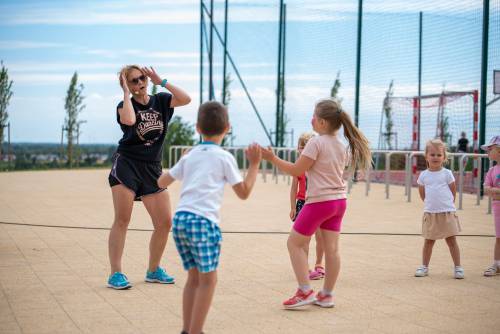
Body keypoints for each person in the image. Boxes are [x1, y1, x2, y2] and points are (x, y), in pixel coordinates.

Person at [157, 101, 262, 334]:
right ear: (228, 128)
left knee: (193, 279)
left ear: (197, 128)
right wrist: (254, 164)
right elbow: (243, 192)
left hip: (181, 221)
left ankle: (188, 329)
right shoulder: (224, 157)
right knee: (208, 281)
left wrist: (182, 161)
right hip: (203, 223)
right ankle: (195, 331)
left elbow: (161, 182)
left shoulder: (190, 156)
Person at [261, 98, 372, 309]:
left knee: (294, 243)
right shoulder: (341, 144)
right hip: (339, 202)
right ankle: (327, 295)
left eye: (314, 116)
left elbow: (296, 171)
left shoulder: (316, 142)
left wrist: (272, 158)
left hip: (320, 202)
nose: (311, 119)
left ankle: (305, 291)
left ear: (322, 122)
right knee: (332, 250)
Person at [107, 65, 191, 289]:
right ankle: (116, 273)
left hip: (152, 168)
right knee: (123, 219)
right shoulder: (123, 106)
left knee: (165, 222)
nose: (139, 83)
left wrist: (160, 81)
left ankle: (153, 270)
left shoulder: (162, 100)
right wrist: (126, 94)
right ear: (127, 85)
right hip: (127, 165)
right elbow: (129, 121)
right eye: (132, 81)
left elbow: (186, 99)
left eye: (141, 78)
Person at [415, 139, 464, 279]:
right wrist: (430, 204)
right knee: (428, 241)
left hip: (447, 212)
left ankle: (458, 267)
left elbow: (453, 191)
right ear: (426, 156)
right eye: (432, 154)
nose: (435, 157)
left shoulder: (447, 173)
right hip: (431, 213)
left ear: (444, 157)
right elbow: (422, 193)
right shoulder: (423, 175)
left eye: (439, 155)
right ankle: (424, 267)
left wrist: (448, 204)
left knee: (452, 240)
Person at [290, 132, 325, 280]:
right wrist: (292, 207)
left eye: (306, 147)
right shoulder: (298, 167)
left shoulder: (319, 165)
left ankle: (319, 265)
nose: (303, 150)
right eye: (300, 147)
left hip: (317, 202)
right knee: (304, 238)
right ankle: (304, 266)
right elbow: (294, 188)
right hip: (302, 203)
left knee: (320, 236)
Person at [481, 135, 500, 277]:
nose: (488, 151)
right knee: (499, 237)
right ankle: (497, 263)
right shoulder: (492, 171)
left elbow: (491, 190)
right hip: (498, 208)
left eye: (490, 148)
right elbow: (486, 189)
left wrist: (495, 191)